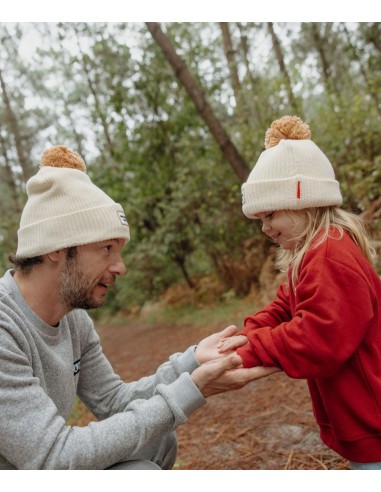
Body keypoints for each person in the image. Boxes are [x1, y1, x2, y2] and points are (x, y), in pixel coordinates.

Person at [0, 145, 276, 470]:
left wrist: (192, 361)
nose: (120, 267)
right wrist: (190, 391)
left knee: (157, 441)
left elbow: (114, 402)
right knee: (140, 473)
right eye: (106, 249)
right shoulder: (6, 328)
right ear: (56, 249)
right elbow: (54, 457)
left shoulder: (74, 320)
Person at [218, 115, 381, 470]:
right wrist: (243, 339)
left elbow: (318, 338)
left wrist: (250, 352)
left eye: (270, 215)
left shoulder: (330, 257)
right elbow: (284, 307)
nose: (264, 228)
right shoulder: (315, 253)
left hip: (373, 418)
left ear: (303, 202)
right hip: (363, 415)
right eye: (259, 219)